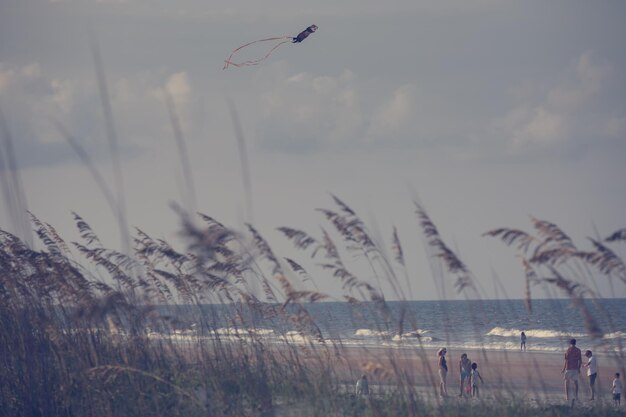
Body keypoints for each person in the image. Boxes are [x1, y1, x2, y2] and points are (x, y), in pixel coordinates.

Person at [562, 338, 582, 402]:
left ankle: (567, 396)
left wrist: (563, 368)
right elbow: (580, 361)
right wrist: (579, 368)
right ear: (575, 343)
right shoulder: (578, 350)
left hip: (568, 368)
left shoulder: (568, 350)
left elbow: (566, 360)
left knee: (566, 382)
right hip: (575, 368)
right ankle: (576, 396)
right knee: (576, 383)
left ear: (570, 343)